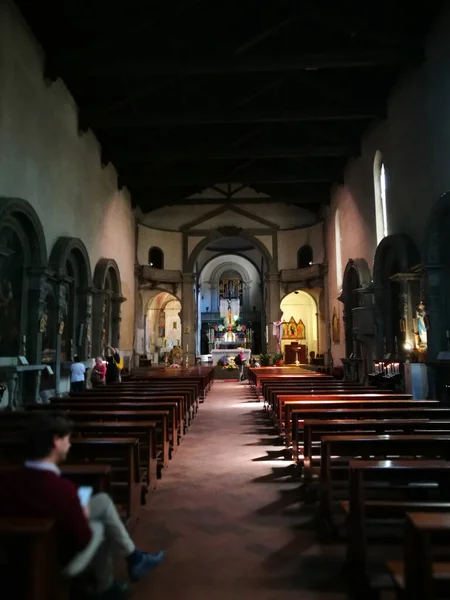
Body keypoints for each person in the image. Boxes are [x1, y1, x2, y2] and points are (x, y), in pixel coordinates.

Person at [0, 413, 164, 599]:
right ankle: (108, 585)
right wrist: (81, 513)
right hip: (53, 561)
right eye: (67, 439)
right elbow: (83, 539)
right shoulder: (64, 490)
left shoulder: (8, 483)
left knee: (102, 501)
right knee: (102, 526)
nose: (70, 444)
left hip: (13, 560)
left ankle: (132, 561)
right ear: (56, 441)